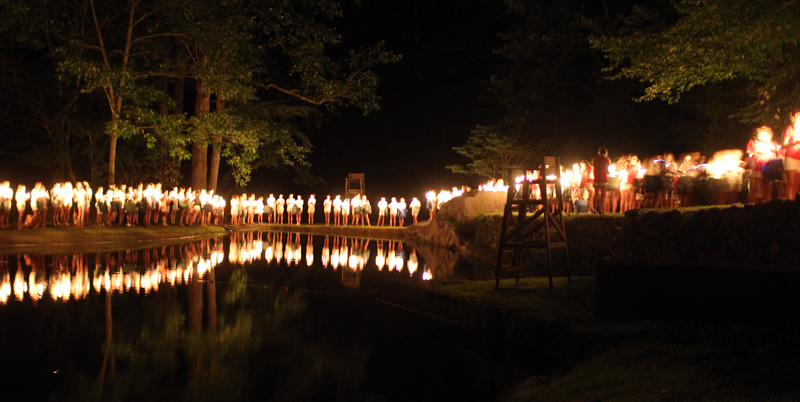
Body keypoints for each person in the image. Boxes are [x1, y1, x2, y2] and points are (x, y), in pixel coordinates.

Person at [747, 125, 780, 203]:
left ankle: (766, 207)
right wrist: (755, 152)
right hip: (757, 167)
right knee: (756, 189)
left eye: (768, 132)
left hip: (769, 168)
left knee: (768, 189)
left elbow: (778, 153)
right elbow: (749, 153)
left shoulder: (774, 144)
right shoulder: (754, 141)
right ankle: (754, 207)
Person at [783, 109, 800, 200]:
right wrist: (794, 142)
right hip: (791, 157)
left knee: (797, 185)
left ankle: (795, 206)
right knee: (791, 184)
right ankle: (790, 206)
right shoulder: (790, 129)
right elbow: (784, 145)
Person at [592, 147, 611, 213]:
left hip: (596, 178)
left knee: (596, 194)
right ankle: (600, 209)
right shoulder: (606, 160)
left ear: (598, 152)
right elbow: (608, 170)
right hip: (604, 178)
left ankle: (594, 209)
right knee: (603, 195)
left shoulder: (595, 159)